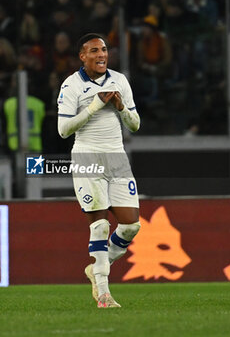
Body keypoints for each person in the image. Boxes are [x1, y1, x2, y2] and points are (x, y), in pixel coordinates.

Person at [57, 33, 141, 308]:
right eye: (94, 50)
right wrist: (95, 105)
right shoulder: (71, 85)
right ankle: (103, 293)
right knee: (100, 224)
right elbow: (63, 130)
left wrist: (120, 107)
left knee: (131, 226)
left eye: (104, 49)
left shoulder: (120, 80)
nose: (101, 54)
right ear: (83, 56)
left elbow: (135, 125)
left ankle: (95, 268)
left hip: (117, 157)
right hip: (87, 157)